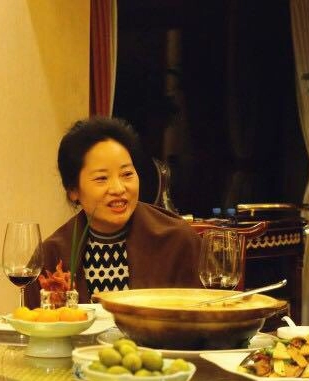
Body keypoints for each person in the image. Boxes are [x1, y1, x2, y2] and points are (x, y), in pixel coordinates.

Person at [25, 117, 201, 308]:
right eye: (101, 178)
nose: (118, 188)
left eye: (127, 174)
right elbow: (34, 321)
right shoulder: (50, 255)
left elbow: (206, 314)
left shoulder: (178, 240)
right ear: (73, 190)